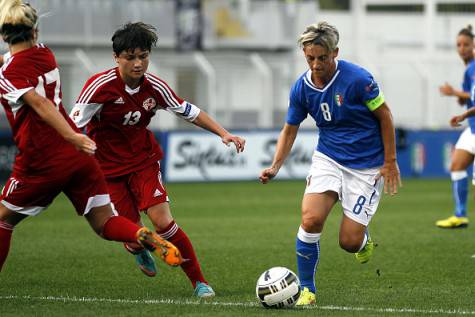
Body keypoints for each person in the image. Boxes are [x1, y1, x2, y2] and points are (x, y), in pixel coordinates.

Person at [0, 0, 183, 273]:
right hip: (78, 157)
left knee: (3, 220)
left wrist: (70, 136)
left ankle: (138, 235)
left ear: (4, 35)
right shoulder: (44, 54)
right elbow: (14, 61)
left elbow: (40, 104)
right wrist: (74, 139)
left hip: (42, 158)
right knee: (103, 221)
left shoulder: (7, 74)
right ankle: (138, 235)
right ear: (35, 32)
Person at [69, 22, 245, 298]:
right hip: (107, 169)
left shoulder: (155, 88)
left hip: (143, 161)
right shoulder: (99, 86)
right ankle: (136, 248)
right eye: (130, 57)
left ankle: (199, 282)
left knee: (163, 221)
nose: (138, 64)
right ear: (116, 58)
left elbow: (190, 111)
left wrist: (223, 133)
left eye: (143, 56)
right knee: (132, 234)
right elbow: (72, 126)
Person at [259, 21, 401, 305]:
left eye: (322, 58)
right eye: (310, 58)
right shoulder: (302, 88)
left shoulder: (359, 79)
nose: (315, 64)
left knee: (348, 242)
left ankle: (363, 240)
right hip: (329, 158)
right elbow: (290, 128)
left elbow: (385, 116)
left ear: (335, 52)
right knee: (310, 220)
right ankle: (308, 291)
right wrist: (276, 165)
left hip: (366, 166)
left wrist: (390, 161)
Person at [436, 25, 475, 229]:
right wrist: (461, 98)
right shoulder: (469, 68)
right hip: (472, 127)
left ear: (474, 44)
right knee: (457, 166)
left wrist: (454, 94)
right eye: (458, 45)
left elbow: (471, 96)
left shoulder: (474, 67)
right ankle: (460, 215)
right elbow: (470, 97)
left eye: (466, 44)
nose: (462, 48)